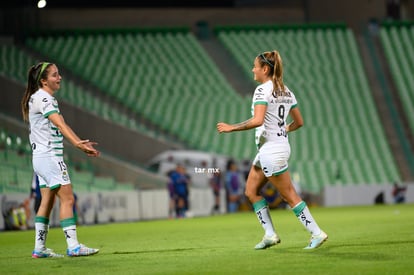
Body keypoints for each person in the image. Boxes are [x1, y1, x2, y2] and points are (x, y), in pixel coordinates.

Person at [217, 51, 328, 250]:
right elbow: (299, 122)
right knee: (251, 191)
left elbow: (258, 120)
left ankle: (316, 233)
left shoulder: (262, 90)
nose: (253, 69)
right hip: (276, 147)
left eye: (255, 66)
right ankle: (270, 235)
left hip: (271, 151)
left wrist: (231, 127)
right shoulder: (287, 91)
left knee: (289, 195)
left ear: (265, 69)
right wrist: (284, 128)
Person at [21, 62, 100, 258]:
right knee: (68, 198)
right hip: (50, 157)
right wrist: (78, 144)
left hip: (39, 159)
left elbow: (61, 124)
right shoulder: (44, 99)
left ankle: (39, 248)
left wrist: (78, 142)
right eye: (55, 75)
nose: (59, 77)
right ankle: (73, 246)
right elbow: (60, 124)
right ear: (43, 81)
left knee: (46, 201)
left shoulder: (36, 98)